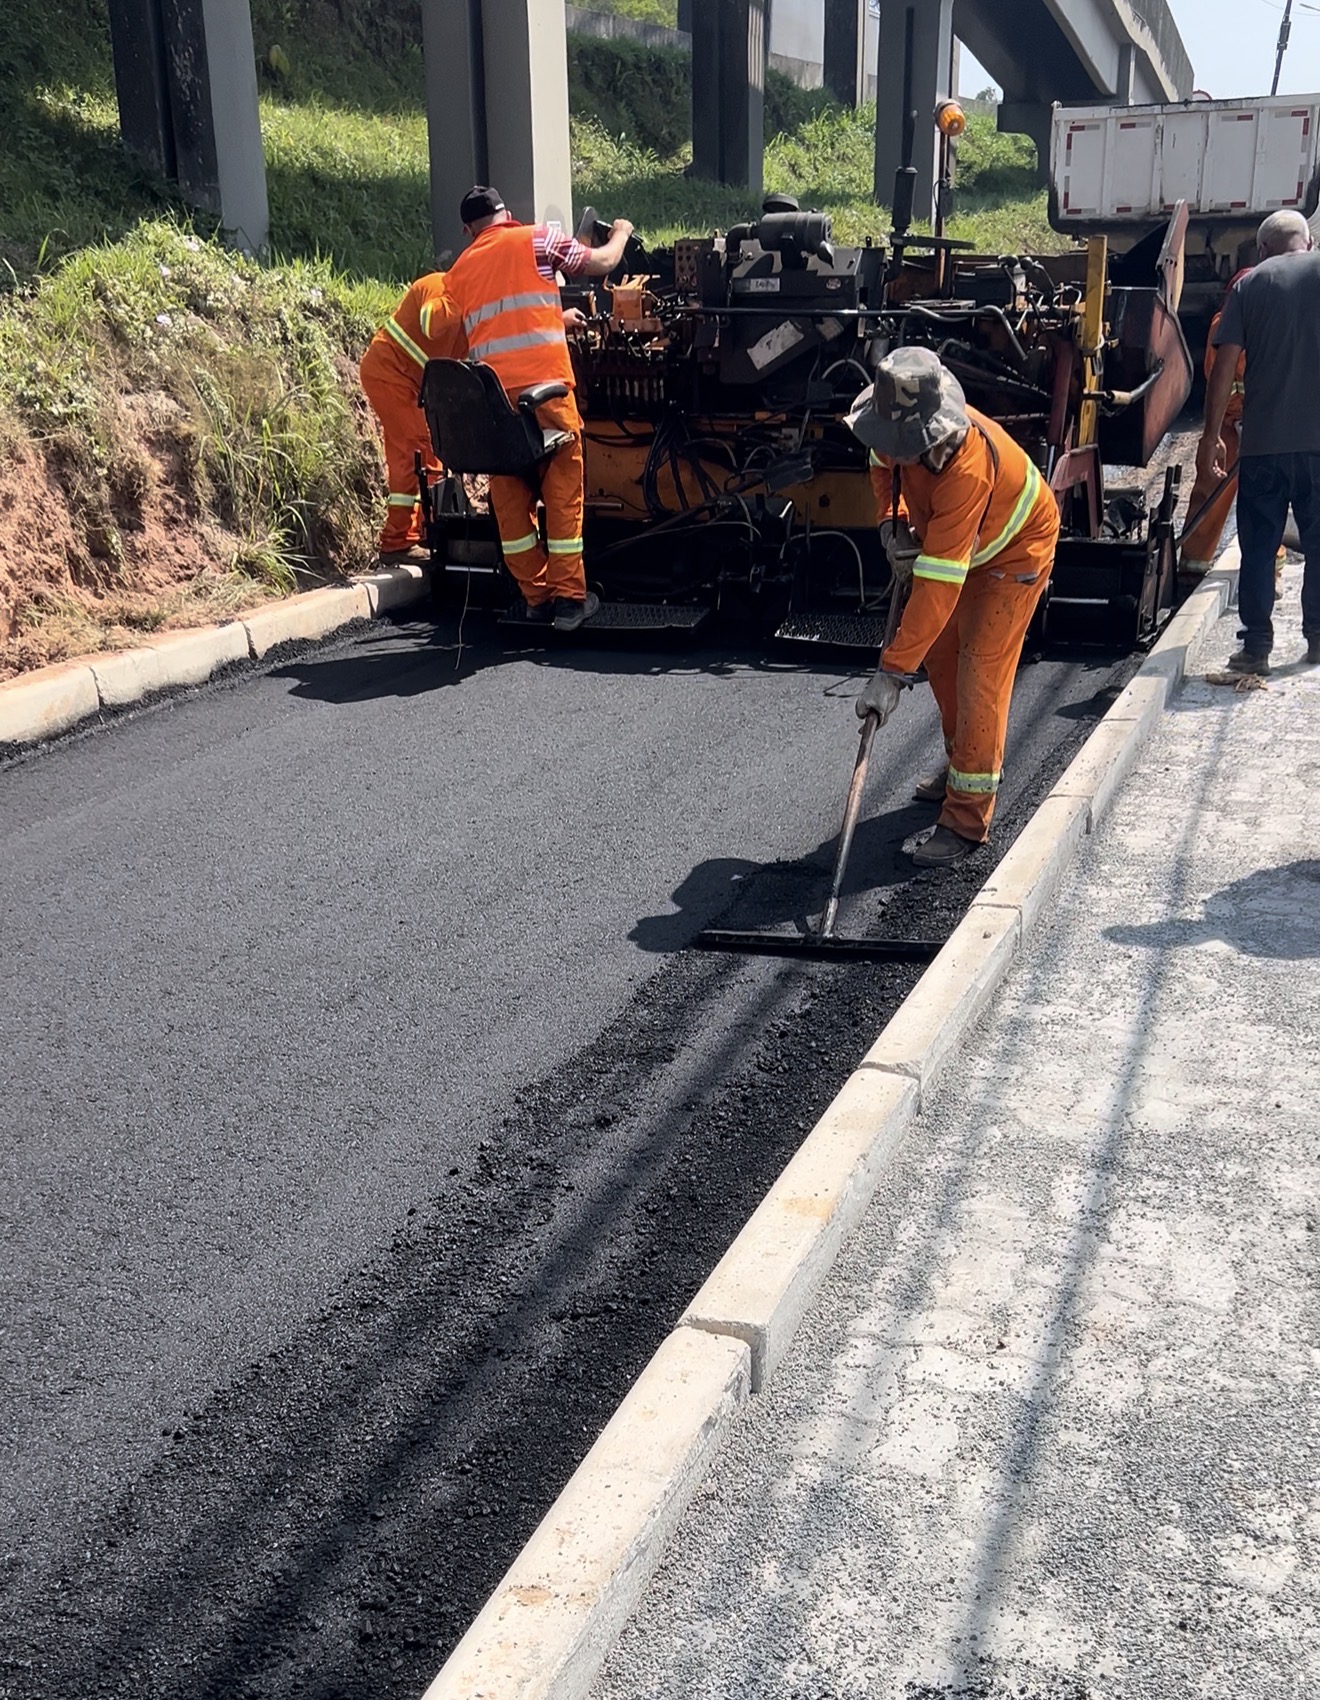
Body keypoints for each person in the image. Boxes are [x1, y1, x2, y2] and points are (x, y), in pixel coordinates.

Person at [845, 347, 1061, 869]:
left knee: (978, 670)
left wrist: (891, 675)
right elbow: (881, 469)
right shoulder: (891, 432)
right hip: (961, 550)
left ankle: (967, 817)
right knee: (940, 657)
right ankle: (964, 758)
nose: (894, 451)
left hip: (1015, 553)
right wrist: (892, 523)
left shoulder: (966, 469)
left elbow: (938, 587)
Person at [429, 186, 634, 631]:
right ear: (508, 213)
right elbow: (598, 264)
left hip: (497, 407)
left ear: (468, 230)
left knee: (511, 503)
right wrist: (620, 234)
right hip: (548, 398)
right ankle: (569, 601)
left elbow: (493, 324)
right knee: (562, 497)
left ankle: (536, 599)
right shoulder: (537, 238)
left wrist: (554, 318)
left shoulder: (459, 273)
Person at [1198, 208, 1320, 673]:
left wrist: (1210, 438)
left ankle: (1255, 649)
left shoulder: (1250, 285)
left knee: (1259, 545)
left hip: (1264, 445)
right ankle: (1318, 637)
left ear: (1264, 249)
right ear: (1306, 242)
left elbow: (1224, 368)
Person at [359, 270, 461, 561]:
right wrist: (465, 299)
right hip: (388, 373)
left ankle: (430, 531)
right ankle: (397, 541)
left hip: (411, 384)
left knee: (430, 454)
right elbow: (431, 322)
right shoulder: (439, 287)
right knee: (414, 451)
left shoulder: (475, 311)